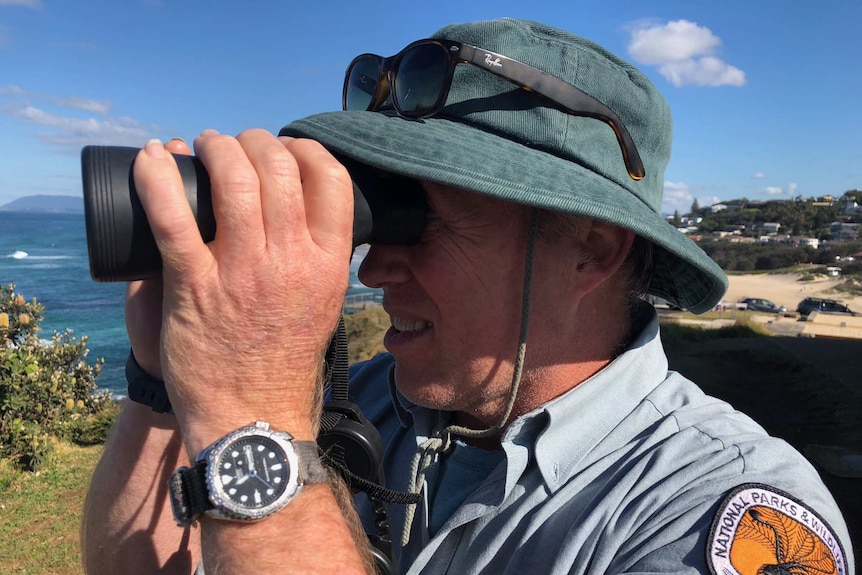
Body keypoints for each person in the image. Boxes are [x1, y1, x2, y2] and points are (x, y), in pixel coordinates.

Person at [81, 18, 854, 575]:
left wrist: (261, 430)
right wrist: (161, 386)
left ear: (590, 248)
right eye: (375, 218)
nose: (373, 268)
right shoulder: (368, 398)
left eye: (419, 219)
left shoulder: (714, 508)